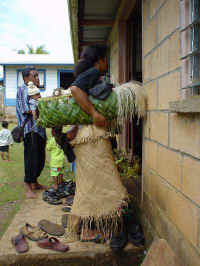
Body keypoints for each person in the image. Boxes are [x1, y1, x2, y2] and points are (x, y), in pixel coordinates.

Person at [65, 45, 128, 242]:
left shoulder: (91, 76)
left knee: (91, 183)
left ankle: (88, 227)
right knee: (100, 182)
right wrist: (95, 114)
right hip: (91, 139)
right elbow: (75, 89)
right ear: (98, 61)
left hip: (87, 139)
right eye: (105, 60)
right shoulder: (92, 73)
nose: (107, 64)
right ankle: (89, 229)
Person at [16, 67, 46, 199]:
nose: (37, 78)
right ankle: (28, 186)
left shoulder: (36, 90)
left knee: (40, 158)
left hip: (39, 129)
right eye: (35, 76)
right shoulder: (23, 89)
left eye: (38, 75)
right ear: (27, 78)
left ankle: (35, 182)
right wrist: (41, 108)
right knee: (30, 158)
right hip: (30, 130)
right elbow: (26, 108)